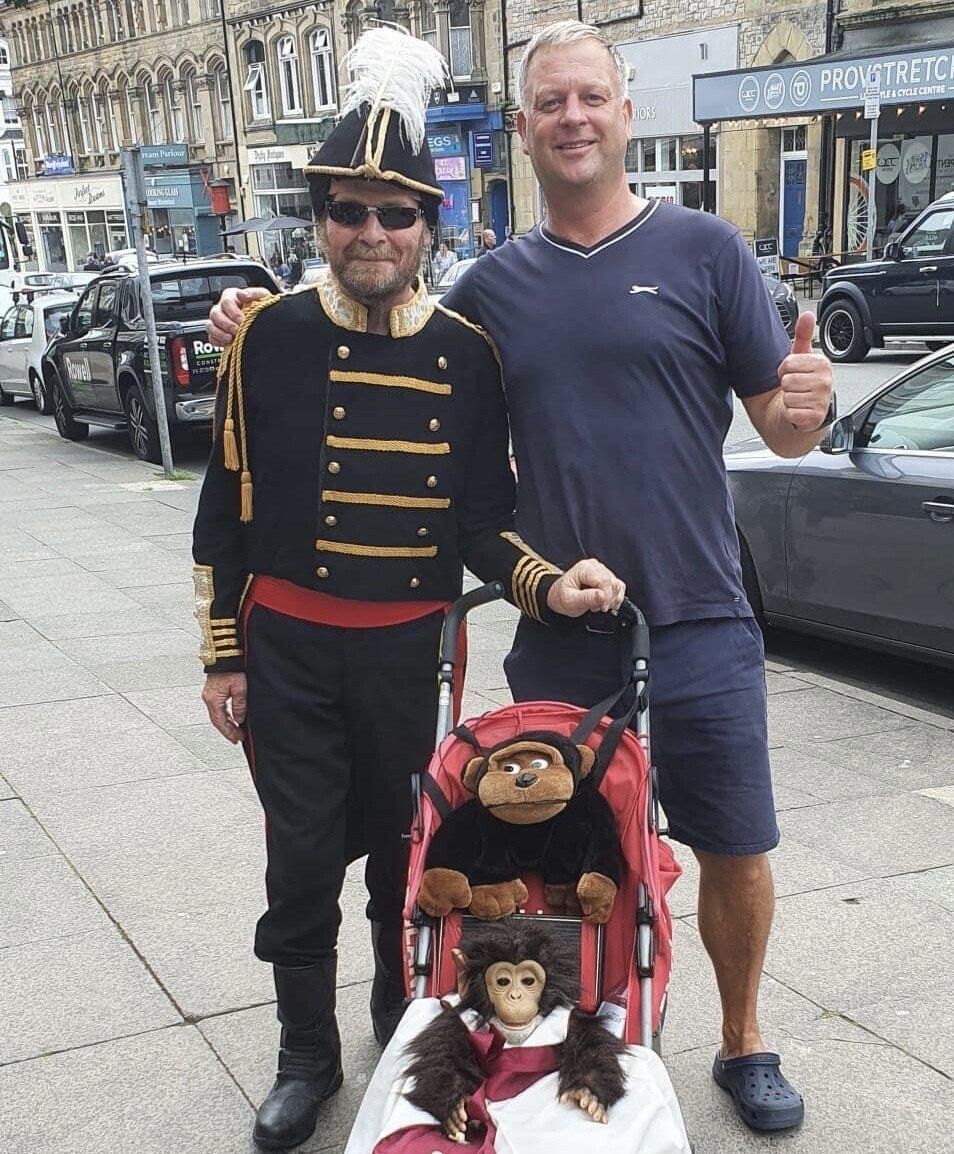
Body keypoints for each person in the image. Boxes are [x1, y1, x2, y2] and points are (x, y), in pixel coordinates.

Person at [207, 19, 835, 1139]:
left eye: (590, 97)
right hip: (553, 638)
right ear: (524, 126)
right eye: (551, 102)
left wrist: (803, 412)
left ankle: (744, 1041)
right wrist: (255, 319)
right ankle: (554, 1040)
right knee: (553, 858)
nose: (573, 118)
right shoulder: (489, 291)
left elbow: (780, 429)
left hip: (698, 612)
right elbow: (365, 329)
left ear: (625, 110)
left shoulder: (706, 250)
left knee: (734, 842)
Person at [193, 26, 624, 1153]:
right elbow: (224, 507)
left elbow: (483, 524)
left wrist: (549, 586)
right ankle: (305, 1055)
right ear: (321, 218)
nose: (371, 233)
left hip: (406, 650)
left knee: (409, 859)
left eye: (395, 213)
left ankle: (399, 1029)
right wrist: (223, 653)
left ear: (428, 224)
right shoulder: (266, 336)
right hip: (288, 647)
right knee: (299, 862)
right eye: (349, 211)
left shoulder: (467, 352)